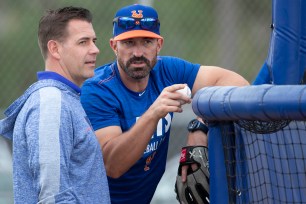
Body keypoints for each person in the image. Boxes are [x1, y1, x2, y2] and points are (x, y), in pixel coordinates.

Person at [80, 4, 249, 204]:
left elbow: (238, 84)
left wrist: (200, 125)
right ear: (114, 46)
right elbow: (113, 166)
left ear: (159, 45)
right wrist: (153, 114)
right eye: (129, 43)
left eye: (147, 42)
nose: (138, 52)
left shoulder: (168, 70)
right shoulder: (98, 89)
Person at [0, 6, 110, 203]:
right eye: (83, 42)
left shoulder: (65, 98)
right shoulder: (51, 103)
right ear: (55, 49)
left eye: (94, 41)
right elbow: (53, 197)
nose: (95, 49)